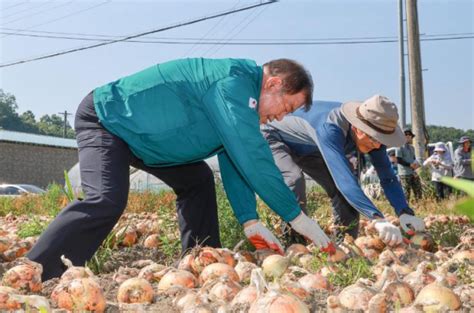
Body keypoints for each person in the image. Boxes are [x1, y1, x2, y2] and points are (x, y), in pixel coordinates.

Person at [26, 58, 333, 281]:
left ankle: (201, 262)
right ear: (274, 84)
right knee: (106, 199)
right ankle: (34, 270)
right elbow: (252, 153)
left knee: (198, 179)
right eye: (287, 108)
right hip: (109, 120)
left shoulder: (242, 103)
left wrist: (249, 219)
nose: (281, 118)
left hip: (143, 141)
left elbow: (235, 159)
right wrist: (295, 216)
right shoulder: (233, 82)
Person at [261, 95, 425, 244]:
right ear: (358, 128)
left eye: (382, 141)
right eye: (374, 139)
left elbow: (388, 177)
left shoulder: (376, 136)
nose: (377, 146)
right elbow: (345, 182)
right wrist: (377, 218)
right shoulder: (330, 129)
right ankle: (293, 244)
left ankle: (344, 245)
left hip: (311, 148)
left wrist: (404, 211)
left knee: (346, 196)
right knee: (293, 179)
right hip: (275, 136)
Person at [395, 128, 423, 201]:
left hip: (412, 171)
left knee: (418, 189)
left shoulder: (412, 147)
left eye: (409, 135)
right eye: (406, 135)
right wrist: (410, 165)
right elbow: (399, 160)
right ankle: (405, 207)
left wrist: (416, 166)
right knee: (406, 192)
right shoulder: (399, 146)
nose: (408, 136)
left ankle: (419, 205)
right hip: (404, 173)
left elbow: (413, 159)